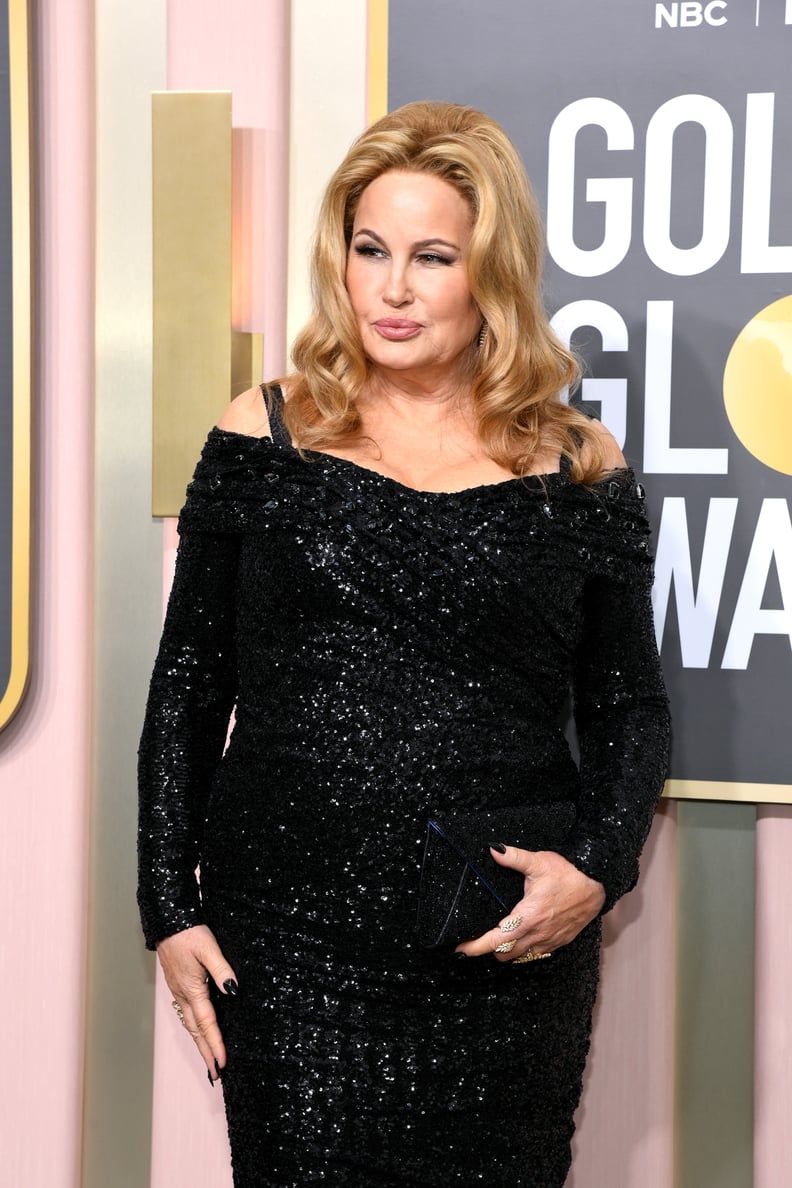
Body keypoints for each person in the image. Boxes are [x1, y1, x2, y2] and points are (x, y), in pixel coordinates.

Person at [138, 100, 670, 1187]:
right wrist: (167, 905)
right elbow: (189, 685)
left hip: (498, 940)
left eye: (432, 257)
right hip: (288, 945)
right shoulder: (265, 433)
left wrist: (597, 872)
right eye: (369, 250)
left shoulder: (576, 463)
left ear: (493, 273)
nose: (390, 288)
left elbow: (627, 708)